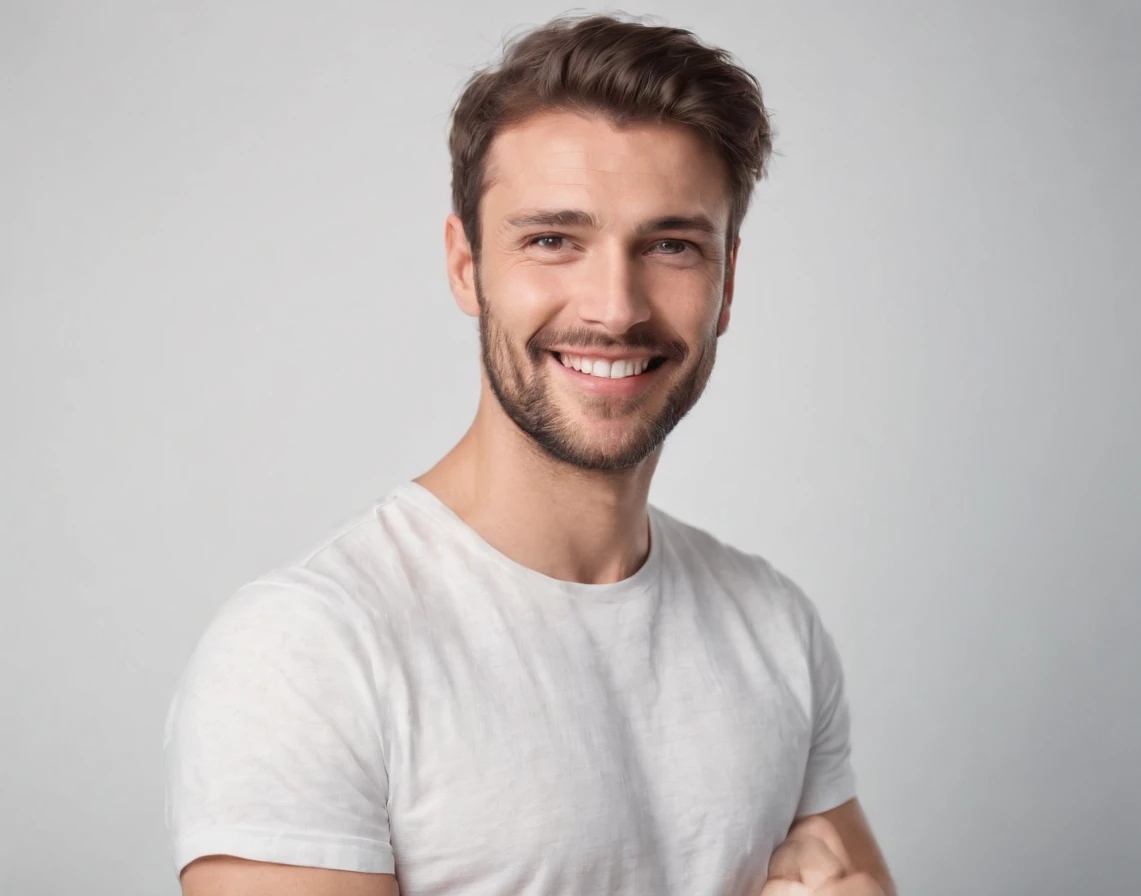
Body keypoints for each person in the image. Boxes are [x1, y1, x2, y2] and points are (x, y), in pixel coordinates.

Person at [163, 13, 897, 896]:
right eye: (553, 240)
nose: (615, 307)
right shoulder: (308, 653)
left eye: (671, 246)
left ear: (727, 283)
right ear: (467, 266)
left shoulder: (775, 630)